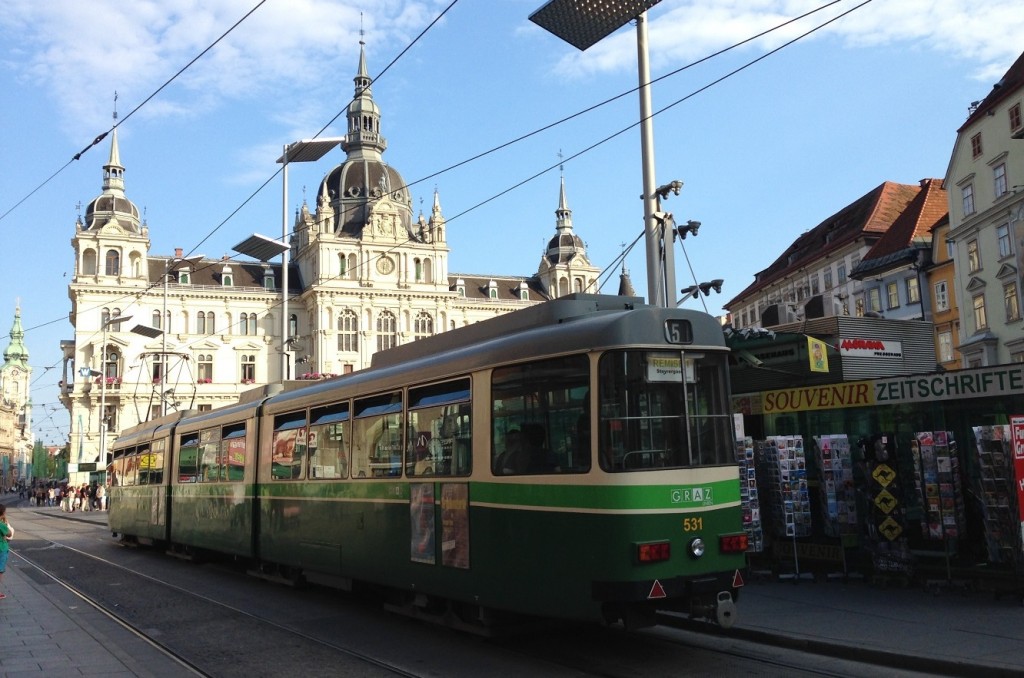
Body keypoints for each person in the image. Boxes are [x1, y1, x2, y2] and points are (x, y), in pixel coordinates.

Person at [0, 502, 13, 600]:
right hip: (1, 548)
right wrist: (5, 522)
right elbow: (9, 534)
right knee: (0, 571)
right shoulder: (1, 524)